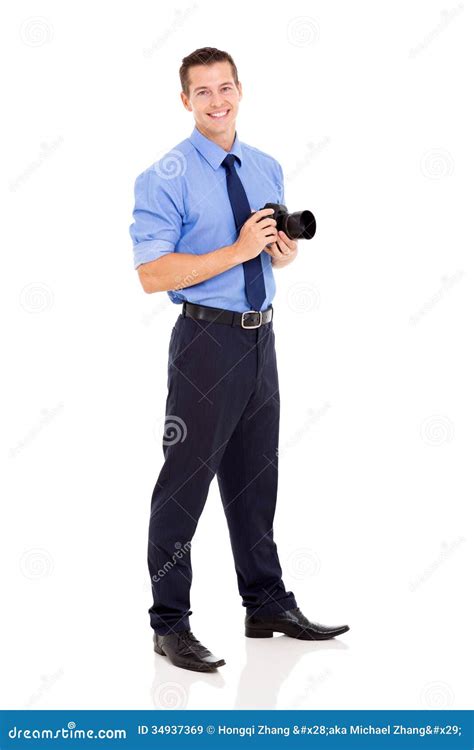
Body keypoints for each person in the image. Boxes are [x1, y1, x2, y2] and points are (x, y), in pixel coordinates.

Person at [129, 47, 349, 673]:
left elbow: (275, 258)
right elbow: (151, 274)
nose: (218, 100)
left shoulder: (265, 165)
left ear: (240, 89)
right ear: (186, 101)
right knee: (185, 481)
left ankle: (266, 603)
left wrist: (278, 252)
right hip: (205, 342)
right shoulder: (162, 177)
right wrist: (235, 249)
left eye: (226, 87)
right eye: (204, 92)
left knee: (256, 477)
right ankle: (169, 622)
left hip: (261, 338)